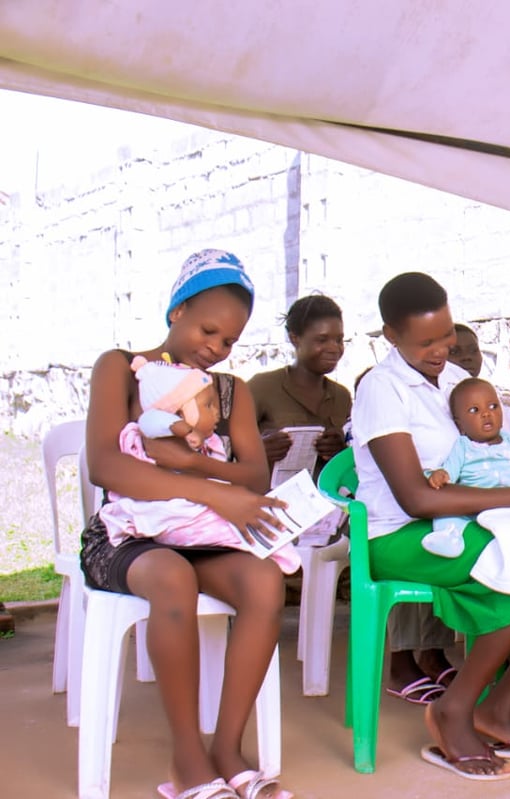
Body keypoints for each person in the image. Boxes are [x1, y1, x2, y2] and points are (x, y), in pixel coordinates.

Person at [352, 272, 510, 781]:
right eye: (426, 342)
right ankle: (454, 708)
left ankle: (497, 707)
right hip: (399, 535)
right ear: (390, 336)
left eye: (445, 335)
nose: (442, 350)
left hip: (474, 522)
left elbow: (506, 452)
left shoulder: (454, 384)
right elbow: (416, 498)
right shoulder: (382, 389)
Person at [78, 249, 294, 799]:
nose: (215, 347)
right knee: (172, 577)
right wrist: (211, 490)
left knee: (266, 580)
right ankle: (187, 758)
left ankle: (227, 746)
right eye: (207, 329)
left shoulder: (230, 391)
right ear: (176, 311)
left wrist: (191, 462)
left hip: (201, 532)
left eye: (229, 341)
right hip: (127, 537)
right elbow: (108, 465)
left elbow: (253, 474)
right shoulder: (120, 367)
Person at [99, 357, 300, 574]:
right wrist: (181, 428)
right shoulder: (156, 434)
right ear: (180, 410)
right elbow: (152, 419)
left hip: (198, 506)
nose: (217, 413)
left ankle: (267, 545)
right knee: (226, 527)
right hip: (173, 516)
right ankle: (265, 547)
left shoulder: (206, 443)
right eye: (208, 405)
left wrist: (194, 460)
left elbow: (253, 478)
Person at [422, 377, 510, 558]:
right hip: (476, 508)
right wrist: (440, 475)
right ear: (460, 425)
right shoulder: (462, 446)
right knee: (447, 513)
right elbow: (449, 472)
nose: (486, 414)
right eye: (475, 410)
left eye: (493, 406)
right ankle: (449, 537)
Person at [247, 294, 351, 478]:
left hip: (326, 502)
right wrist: (258, 452)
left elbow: (352, 462)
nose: (334, 348)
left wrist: (340, 451)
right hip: (271, 501)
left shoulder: (342, 397)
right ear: (295, 338)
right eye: (322, 340)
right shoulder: (262, 387)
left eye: (339, 340)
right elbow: (221, 450)